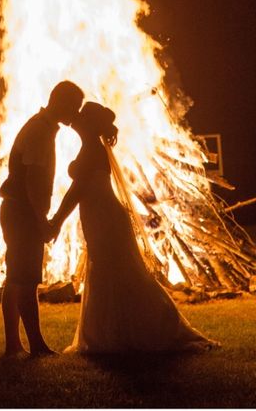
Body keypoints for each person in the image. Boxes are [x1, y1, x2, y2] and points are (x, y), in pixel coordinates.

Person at [50, 101, 219, 354]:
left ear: (90, 124)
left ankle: (126, 333)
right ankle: (113, 332)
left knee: (118, 274)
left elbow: (76, 192)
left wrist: (56, 221)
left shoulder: (91, 152)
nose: (77, 120)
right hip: (101, 218)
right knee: (112, 274)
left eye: (82, 117)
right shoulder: (91, 148)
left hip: (105, 219)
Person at [0, 80, 84, 357]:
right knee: (26, 280)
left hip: (16, 210)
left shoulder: (41, 127)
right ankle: (36, 346)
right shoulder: (40, 131)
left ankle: (13, 345)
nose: (77, 113)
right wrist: (42, 220)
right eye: (75, 107)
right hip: (23, 212)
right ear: (62, 102)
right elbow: (34, 181)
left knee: (15, 279)